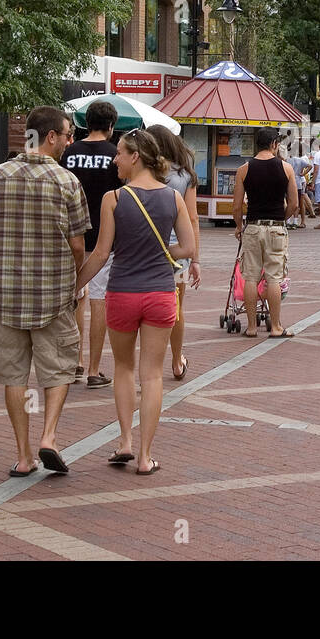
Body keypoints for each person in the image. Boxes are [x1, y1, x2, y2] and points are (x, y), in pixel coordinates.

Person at [0, 107, 89, 478]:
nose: (69, 141)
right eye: (67, 135)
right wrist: (77, 281)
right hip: (53, 295)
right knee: (58, 368)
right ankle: (49, 436)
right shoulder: (67, 182)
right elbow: (78, 245)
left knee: (15, 376)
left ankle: (24, 455)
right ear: (50, 137)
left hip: (5, 294)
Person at [75, 128, 197, 477]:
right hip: (160, 292)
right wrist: (161, 252)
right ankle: (145, 457)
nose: (115, 159)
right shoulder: (173, 198)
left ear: (135, 157)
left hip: (123, 292)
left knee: (125, 369)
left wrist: (75, 287)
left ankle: (126, 442)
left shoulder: (114, 199)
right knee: (153, 374)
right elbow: (187, 249)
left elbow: (101, 253)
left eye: (120, 153)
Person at [61, 101, 121, 389]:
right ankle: (95, 370)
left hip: (70, 236)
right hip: (104, 239)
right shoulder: (115, 156)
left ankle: (75, 362)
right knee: (99, 300)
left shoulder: (69, 153)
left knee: (76, 297)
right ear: (111, 126)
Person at [232, 126, 299, 338]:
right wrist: (282, 218)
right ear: (274, 144)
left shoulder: (244, 169)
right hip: (276, 228)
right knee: (274, 278)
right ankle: (276, 326)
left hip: (252, 226)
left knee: (250, 276)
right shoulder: (286, 168)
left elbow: (236, 206)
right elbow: (294, 204)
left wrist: (239, 226)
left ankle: (251, 327)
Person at [149, 123, 202, 381]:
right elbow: (192, 218)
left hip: (146, 250)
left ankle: (150, 363)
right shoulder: (185, 176)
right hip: (177, 253)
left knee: (146, 305)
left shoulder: (143, 172)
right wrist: (196, 259)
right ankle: (177, 361)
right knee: (176, 308)